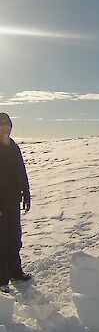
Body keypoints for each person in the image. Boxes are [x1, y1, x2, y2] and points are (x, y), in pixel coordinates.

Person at [0, 113, 32, 294]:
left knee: (14, 238)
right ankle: (1, 279)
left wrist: (26, 192)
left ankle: (15, 272)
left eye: (7, 124)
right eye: (1, 125)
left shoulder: (13, 146)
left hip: (13, 201)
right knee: (1, 241)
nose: (5, 128)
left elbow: (21, 170)